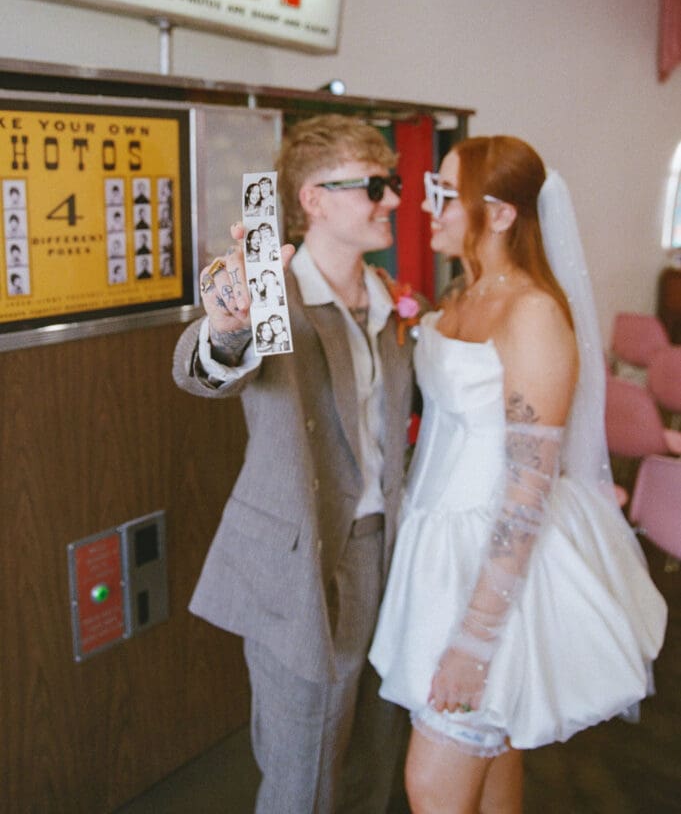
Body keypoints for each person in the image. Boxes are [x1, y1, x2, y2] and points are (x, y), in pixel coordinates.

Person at [369, 135, 667, 814]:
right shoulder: (463, 292)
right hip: (436, 542)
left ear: (500, 214)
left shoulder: (530, 312)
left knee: (431, 785)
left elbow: (526, 487)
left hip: (492, 558)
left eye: (444, 196)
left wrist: (473, 639)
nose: (427, 209)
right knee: (493, 752)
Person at [172, 114, 414, 814]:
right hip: (301, 556)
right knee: (302, 766)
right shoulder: (275, 294)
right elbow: (208, 369)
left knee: (377, 739)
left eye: (393, 185)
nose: (392, 200)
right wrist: (224, 331)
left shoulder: (389, 300)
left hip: (387, 548)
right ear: (311, 200)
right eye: (374, 186)